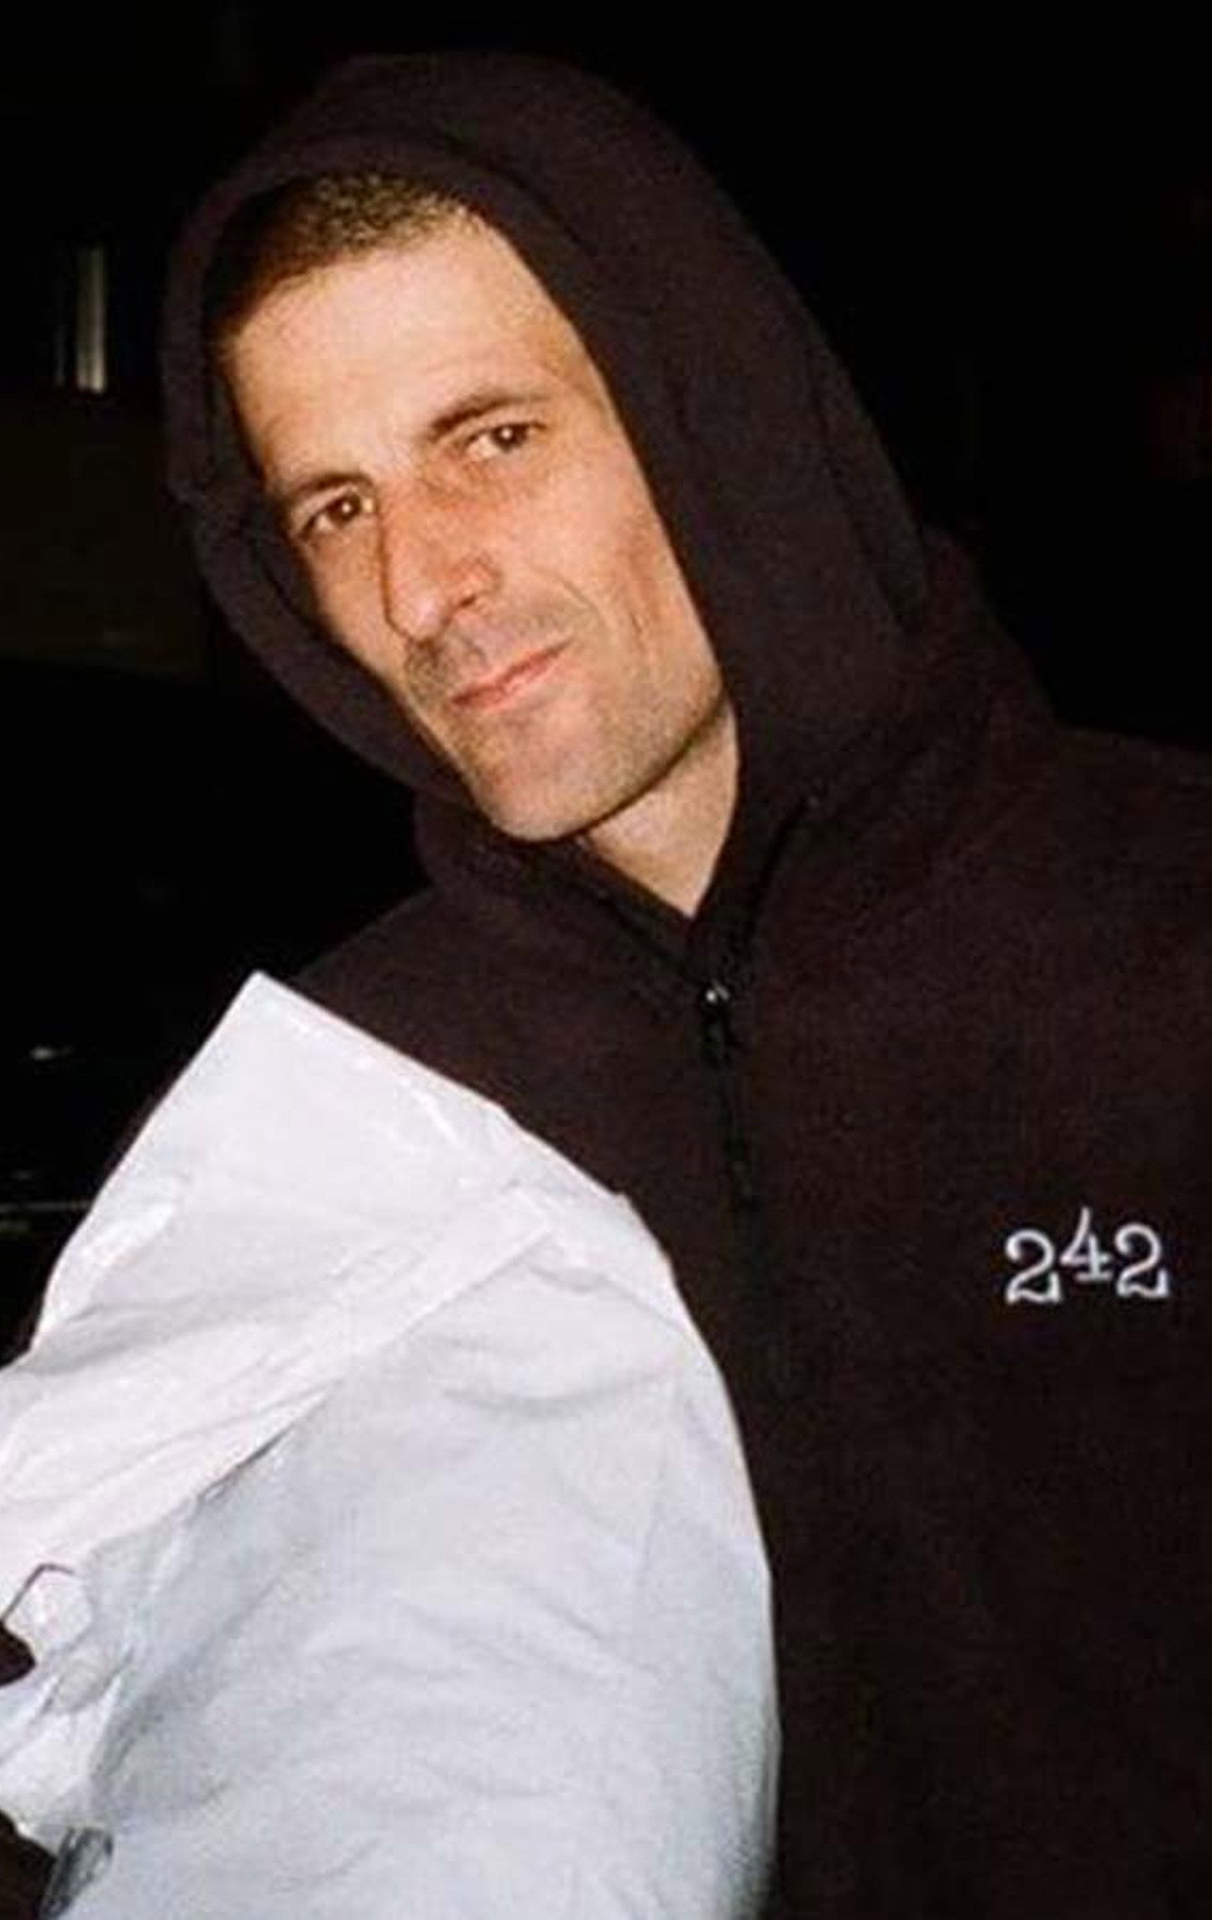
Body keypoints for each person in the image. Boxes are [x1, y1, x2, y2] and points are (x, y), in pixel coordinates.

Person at [164, 52, 1212, 1918]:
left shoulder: (1165, 936)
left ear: (705, 409)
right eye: (334, 508)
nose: (419, 589)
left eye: (493, 438)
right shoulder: (339, 1113)